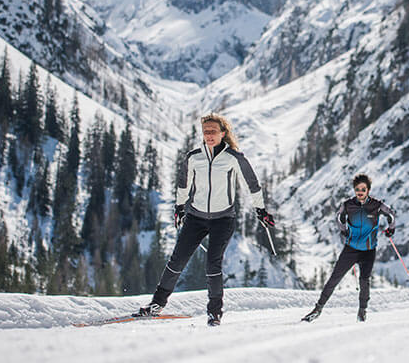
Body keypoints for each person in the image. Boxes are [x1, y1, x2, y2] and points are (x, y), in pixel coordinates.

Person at [137, 112, 275, 326]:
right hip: (196, 217)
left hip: (223, 219)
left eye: (213, 131)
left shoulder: (234, 158)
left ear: (222, 133)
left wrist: (261, 211)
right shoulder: (194, 157)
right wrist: (179, 207)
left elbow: (252, 184)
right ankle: (156, 305)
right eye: (205, 132)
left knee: (213, 264)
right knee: (177, 261)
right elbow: (184, 183)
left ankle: (214, 312)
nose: (209, 135)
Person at [302, 173, 395, 323]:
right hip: (350, 249)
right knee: (334, 278)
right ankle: (318, 309)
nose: (360, 192)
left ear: (368, 190)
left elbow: (391, 214)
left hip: (369, 250)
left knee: (364, 281)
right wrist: (344, 230)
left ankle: (362, 311)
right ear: (354, 189)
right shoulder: (348, 205)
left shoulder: (377, 205)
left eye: (363, 189)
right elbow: (339, 217)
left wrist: (391, 229)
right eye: (357, 189)